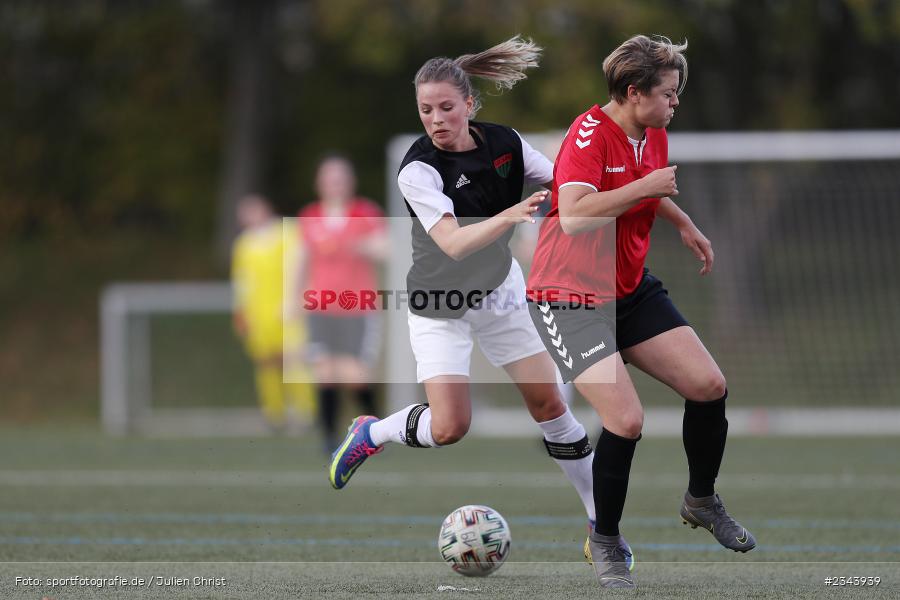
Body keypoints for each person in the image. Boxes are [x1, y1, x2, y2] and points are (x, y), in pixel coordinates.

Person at [327, 36, 618, 564]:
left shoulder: (505, 143)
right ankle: (373, 430)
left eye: (445, 107)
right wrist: (512, 217)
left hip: (499, 292)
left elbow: (564, 183)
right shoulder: (418, 170)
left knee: (549, 402)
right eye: (425, 110)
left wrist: (598, 198)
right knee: (449, 428)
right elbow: (454, 243)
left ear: (469, 106)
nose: (435, 119)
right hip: (438, 306)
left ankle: (602, 524)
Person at [525, 35, 756, 588]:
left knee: (708, 385)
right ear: (634, 93)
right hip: (569, 297)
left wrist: (679, 220)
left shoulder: (650, 131)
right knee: (626, 420)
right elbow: (576, 215)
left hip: (627, 290)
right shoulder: (587, 136)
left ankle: (701, 500)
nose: (675, 102)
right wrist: (648, 186)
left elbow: (640, 184)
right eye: (669, 93)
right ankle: (604, 539)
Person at [296, 156, 387, 452]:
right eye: (329, 178)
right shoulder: (310, 216)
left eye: (340, 178)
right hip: (321, 307)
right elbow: (301, 260)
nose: (335, 183)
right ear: (319, 183)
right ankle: (328, 437)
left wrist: (357, 245)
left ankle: (377, 434)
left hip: (357, 306)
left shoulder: (366, 212)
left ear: (351, 182)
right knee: (324, 371)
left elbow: (388, 249)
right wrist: (292, 298)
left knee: (356, 375)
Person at [231, 194, 315, 431]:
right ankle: (274, 414)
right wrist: (241, 311)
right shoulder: (243, 244)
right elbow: (241, 282)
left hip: (289, 308)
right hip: (258, 314)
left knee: (295, 360)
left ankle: (305, 413)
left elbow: (303, 264)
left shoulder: (288, 232)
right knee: (266, 364)